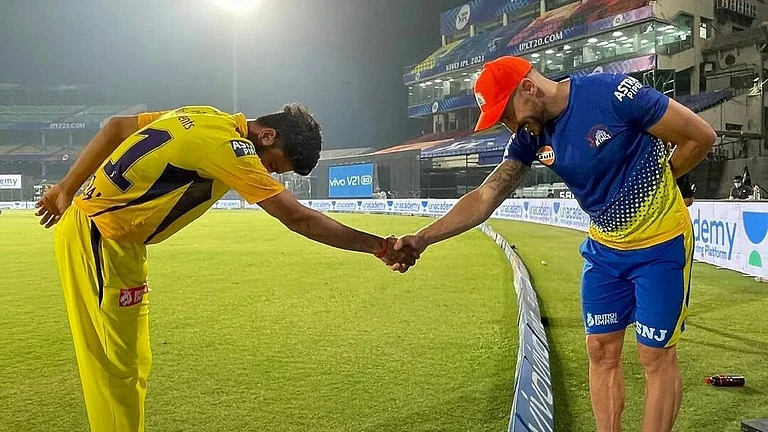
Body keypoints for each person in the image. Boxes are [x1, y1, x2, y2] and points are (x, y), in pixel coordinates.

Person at [35, 105, 419, 432]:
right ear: (266, 135)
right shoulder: (231, 148)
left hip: (119, 244)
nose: (266, 173)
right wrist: (379, 247)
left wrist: (68, 186)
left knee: (134, 361)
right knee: (114, 368)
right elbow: (298, 219)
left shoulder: (203, 115)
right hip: (100, 238)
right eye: (272, 165)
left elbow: (118, 126)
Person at [393, 56, 716, 432]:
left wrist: (660, 179)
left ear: (529, 88)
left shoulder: (611, 93)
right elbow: (485, 197)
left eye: (505, 114)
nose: (507, 126)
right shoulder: (530, 136)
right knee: (600, 351)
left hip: (661, 245)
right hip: (606, 252)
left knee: (654, 355)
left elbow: (701, 136)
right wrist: (421, 239)